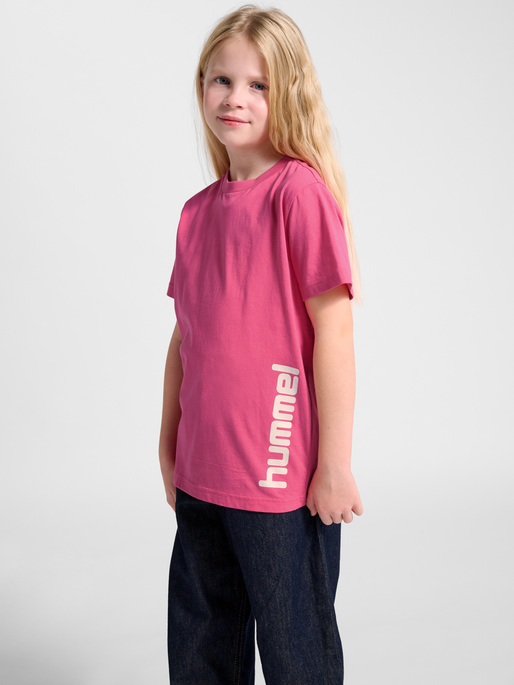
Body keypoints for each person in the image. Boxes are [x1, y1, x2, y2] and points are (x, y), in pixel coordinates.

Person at [158, 4, 364, 684]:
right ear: (202, 86)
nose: (235, 98)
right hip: (202, 476)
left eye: (258, 85)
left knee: (295, 650)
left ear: (288, 94)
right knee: (200, 647)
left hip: (279, 481)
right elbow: (186, 335)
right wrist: (168, 442)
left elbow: (334, 329)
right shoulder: (196, 214)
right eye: (222, 80)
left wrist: (333, 463)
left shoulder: (298, 195)